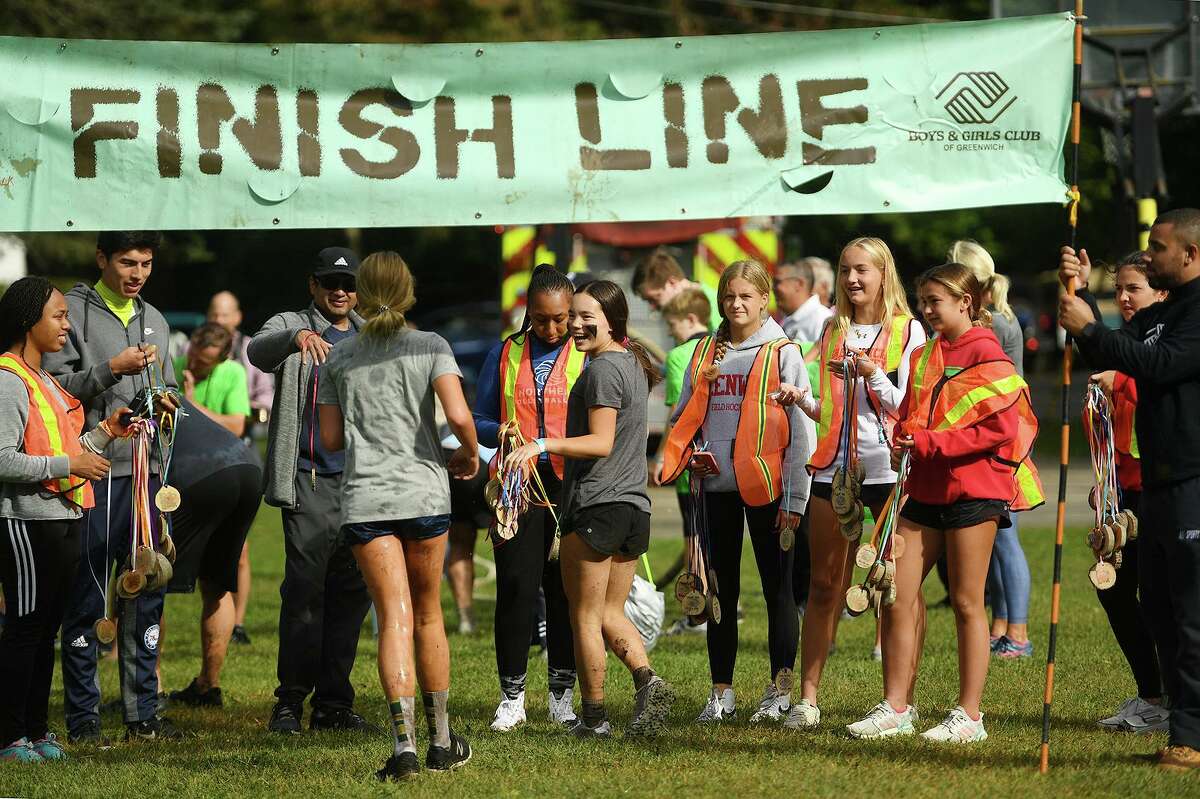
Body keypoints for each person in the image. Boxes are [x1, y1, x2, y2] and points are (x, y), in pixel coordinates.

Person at [850, 262, 1041, 743]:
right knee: (895, 594)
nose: (927, 310)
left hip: (976, 491)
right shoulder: (925, 353)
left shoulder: (987, 352)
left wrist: (932, 442)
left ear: (966, 303)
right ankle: (896, 708)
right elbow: (916, 413)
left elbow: (1000, 428)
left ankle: (969, 716)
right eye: (923, 302)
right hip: (922, 487)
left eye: (936, 301)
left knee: (966, 602)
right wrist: (904, 435)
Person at [317, 251, 476, 778]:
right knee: (429, 614)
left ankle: (403, 747)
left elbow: (331, 440)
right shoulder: (431, 346)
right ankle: (442, 743)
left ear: (359, 295)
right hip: (424, 496)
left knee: (393, 618)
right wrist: (469, 453)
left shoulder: (339, 358)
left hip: (366, 501)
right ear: (409, 291)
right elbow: (457, 416)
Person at [1059, 208, 1200, 771]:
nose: (1149, 254)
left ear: (1189, 254)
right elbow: (1107, 352)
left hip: (1194, 480)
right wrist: (1082, 300)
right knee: (1162, 612)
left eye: (1158, 247)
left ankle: (1189, 737)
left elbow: (1159, 366)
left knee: (1191, 615)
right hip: (1161, 486)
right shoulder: (1162, 312)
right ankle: (1179, 724)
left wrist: (1090, 325)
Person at [509, 279, 676, 738]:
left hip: (597, 505)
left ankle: (595, 718)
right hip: (632, 508)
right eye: (574, 316)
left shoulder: (602, 370)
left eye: (587, 317)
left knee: (583, 616)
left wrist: (541, 443)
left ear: (612, 321)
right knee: (608, 613)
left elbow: (600, 442)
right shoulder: (632, 364)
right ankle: (648, 681)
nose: (576, 326)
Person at [660, 260, 814, 725]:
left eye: (746, 296)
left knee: (777, 590)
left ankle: (780, 690)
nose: (736, 304)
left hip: (771, 490)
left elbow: (800, 430)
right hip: (717, 490)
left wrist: (796, 499)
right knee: (719, 590)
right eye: (729, 297)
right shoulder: (707, 350)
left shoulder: (782, 352)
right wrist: (692, 455)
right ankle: (721, 692)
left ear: (765, 299)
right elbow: (686, 416)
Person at [46, 231, 182, 744]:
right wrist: (110, 370)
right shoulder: (71, 314)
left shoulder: (158, 319)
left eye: (146, 263)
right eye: (127, 262)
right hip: (92, 472)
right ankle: (83, 720)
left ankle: (142, 713)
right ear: (101, 258)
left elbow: (166, 382)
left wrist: (166, 399)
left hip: (145, 475)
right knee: (88, 595)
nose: (138, 273)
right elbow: (55, 389)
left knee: (145, 590)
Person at [786, 237, 925, 729]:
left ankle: (897, 705)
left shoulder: (909, 331)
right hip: (835, 469)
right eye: (845, 270)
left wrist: (870, 374)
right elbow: (833, 412)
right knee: (824, 583)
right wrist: (800, 399)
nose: (852, 279)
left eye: (862, 270)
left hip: (890, 470)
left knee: (893, 587)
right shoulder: (832, 327)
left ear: (884, 273)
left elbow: (904, 406)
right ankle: (806, 699)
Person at [0, 278, 133, 762]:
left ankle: (36, 731)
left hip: (64, 516)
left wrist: (104, 434)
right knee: (23, 628)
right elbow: (2, 460)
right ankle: (10, 735)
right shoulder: (7, 379)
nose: (66, 324)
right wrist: (69, 466)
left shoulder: (47, 380)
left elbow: (67, 451)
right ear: (28, 320)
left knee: (47, 628)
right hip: (27, 521)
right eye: (57, 315)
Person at [247, 246, 373, 734]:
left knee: (351, 595)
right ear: (313, 286)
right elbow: (257, 352)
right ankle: (290, 702)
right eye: (330, 283)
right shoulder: (292, 322)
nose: (340, 291)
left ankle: (334, 704)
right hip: (308, 477)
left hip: (362, 483)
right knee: (304, 593)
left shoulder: (369, 335)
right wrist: (294, 337)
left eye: (348, 284)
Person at [473, 264, 581, 732]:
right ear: (527, 313)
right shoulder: (504, 354)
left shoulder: (588, 353)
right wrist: (499, 430)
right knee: (516, 589)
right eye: (541, 319)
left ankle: (561, 695)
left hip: (571, 486)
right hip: (515, 488)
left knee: (565, 592)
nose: (553, 328)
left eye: (561, 318)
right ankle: (512, 697)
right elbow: (475, 418)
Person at [1076, 252, 1169, 733]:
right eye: (1119, 291)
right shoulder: (1125, 342)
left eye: (1135, 288)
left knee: (1160, 598)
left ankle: (1171, 698)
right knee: (1112, 589)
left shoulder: (1164, 341)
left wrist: (1124, 379)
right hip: (1120, 496)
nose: (1125, 298)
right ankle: (1152, 695)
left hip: (1161, 491)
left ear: (1163, 293)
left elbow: (1155, 378)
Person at [949, 240, 1033, 660]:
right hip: (988, 443)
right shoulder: (994, 318)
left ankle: (1017, 631)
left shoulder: (994, 324)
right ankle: (1002, 624)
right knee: (993, 540)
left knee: (1006, 541)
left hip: (1003, 445)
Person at [162, 398, 262, 709]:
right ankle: (208, 685)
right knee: (218, 586)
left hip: (200, 475)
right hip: (248, 468)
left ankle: (149, 690)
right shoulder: (179, 398)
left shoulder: (136, 402)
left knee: (150, 583)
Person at [206, 290, 271, 646]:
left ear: (238, 317)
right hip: (201, 457)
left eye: (225, 315)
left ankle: (239, 622)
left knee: (240, 547)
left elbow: (265, 399)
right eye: (214, 314)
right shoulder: (192, 350)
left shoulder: (251, 352)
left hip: (240, 452)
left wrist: (244, 412)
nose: (219, 321)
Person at [653, 288, 711, 634]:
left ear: (690, 319)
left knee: (693, 536)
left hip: (689, 460)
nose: (671, 333)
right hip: (721, 458)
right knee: (715, 535)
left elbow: (677, 413)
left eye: (672, 325)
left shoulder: (679, 356)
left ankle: (696, 613)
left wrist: (661, 456)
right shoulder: (720, 346)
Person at [174, 323, 249, 437]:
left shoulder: (234, 373)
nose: (192, 365)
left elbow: (236, 427)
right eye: (190, 355)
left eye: (202, 363)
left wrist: (192, 406)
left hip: (217, 449)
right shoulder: (174, 366)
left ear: (220, 361)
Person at [631, 248, 723, 330]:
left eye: (654, 298)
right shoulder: (680, 313)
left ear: (672, 283)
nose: (652, 307)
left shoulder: (713, 305)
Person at [776, 258, 834, 344]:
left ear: (798, 284)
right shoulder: (788, 320)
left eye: (778, 282)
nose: (774, 288)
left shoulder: (823, 320)